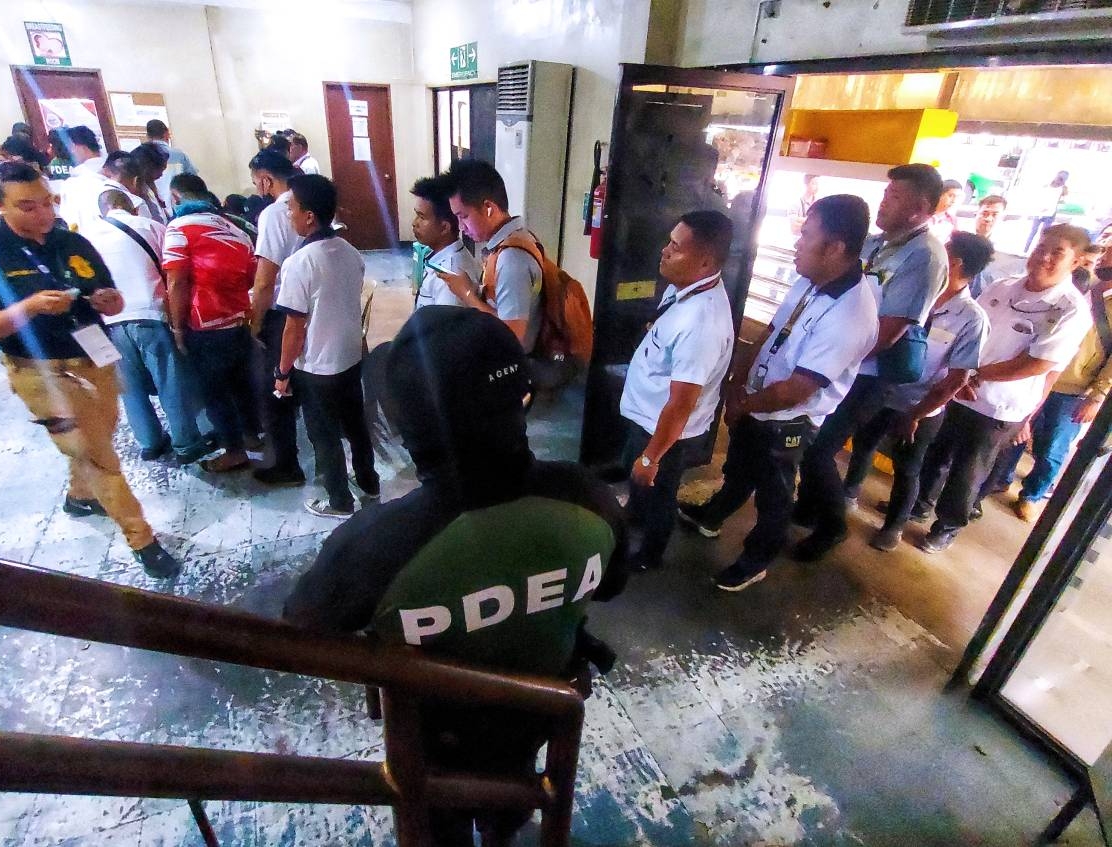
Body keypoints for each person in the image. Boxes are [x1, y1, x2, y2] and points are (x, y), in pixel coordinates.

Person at [283, 305, 627, 846]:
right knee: (513, 799)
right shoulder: (588, 499)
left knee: (436, 824)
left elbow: (304, 628)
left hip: (431, 737)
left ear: (403, 424)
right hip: (536, 709)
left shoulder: (376, 545)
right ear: (525, 400)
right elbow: (610, 585)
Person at [0, 161, 180, 578]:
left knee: (97, 435)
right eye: (28, 207)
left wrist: (108, 301)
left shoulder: (72, 243)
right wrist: (28, 308)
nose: (43, 213)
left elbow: (109, 297)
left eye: (47, 202)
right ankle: (142, 540)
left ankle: (80, 496)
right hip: (39, 369)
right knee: (100, 455)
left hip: (94, 356)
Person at [678, 195, 878, 590]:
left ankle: (756, 559)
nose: (796, 243)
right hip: (756, 401)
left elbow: (797, 390)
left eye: (806, 234)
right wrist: (737, 383)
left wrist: (742, 404)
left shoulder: (851, 316)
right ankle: (712, 516)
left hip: (788, 420)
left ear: (835, 247)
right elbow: (770, 332)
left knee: (774, 494)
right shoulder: (810, 281)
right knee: (740, 467)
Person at [792, 163, 947, 561]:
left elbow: (890, 328)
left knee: (819, 448)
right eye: (885, 194)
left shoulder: (925, 257)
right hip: (844, 362)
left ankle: (832, 527)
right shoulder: (878, 243)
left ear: (921, 207)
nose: (883, 203)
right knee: (812, 441)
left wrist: (833, 358)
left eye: (894, 197)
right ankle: (808, 509)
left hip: (869, 374)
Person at [915, 224, 1094, 552]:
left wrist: (974, 376)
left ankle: (948, 526)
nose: (1044, 256)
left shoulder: (1070, 310)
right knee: (936, 453)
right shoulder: (1003, 286)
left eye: (1057, 252)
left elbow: (1037, 364)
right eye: (1042, 246)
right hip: (958, 389)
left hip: (1000, 405)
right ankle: (919, 504)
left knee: (969, 471)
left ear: (1078, 261)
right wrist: (956, 375)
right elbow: (969, 329)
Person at [841, 231, 992, 551]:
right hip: (883, 389)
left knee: (908, 468)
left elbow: (955, 379)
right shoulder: (920, 294)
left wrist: (916, 414)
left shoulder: (972, 318)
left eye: (944, 251)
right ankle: (848, 493)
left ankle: (893, 527)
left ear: (954, 262)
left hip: (921, 406)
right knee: (864, 443)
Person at [618, 211, 735, 572]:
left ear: (704, 261)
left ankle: (650, 555)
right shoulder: (683, 289)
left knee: (658, 492)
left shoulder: (701, 323)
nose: (665, 251)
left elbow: (682, 403)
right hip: (646, 416)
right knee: (637, 479)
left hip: (664, 431)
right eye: (669, 241)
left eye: (675, 247)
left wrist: (652, 457)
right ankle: (635, 517)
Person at [979, 243, 1112, 523]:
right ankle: (998, 480)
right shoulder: (1077, 288)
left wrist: (1097, 395)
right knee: (1014, 437)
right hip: (1034, 378)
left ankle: (1032, 495)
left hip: (1074, 387)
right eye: (1104, 251)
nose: (1103, 258)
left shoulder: (1101, 301)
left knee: (1053, 447)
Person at [272, 174, 379, 517]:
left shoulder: (299, 263)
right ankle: (368, 483)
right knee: (356, 426)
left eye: (292, 209)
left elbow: (294, 328)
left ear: (309, 216)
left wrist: (282, 371)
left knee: (324, 435)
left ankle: (339, 502)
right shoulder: (350, 252)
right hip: (349, 357)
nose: (289, 215)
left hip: (317, 366)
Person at [84, 188, 210, 464]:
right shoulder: (153, 227)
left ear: (102, 212)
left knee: (128, 386)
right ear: (132, 208)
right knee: (169, 382)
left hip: (110, 321)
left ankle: (150, 442)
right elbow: (173, 271)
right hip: (152, 315)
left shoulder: (87, 236)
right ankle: (186, 444)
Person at [163, 174, 259, 474]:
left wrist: (177, 328)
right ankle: (251, 435)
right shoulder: (238, 231)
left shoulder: (178, 229)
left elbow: (177, 281)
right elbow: (251, 279)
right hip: (240, 321)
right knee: (242, 385)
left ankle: (234, 452)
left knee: (215, 392)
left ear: (177, 197)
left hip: (204, 326)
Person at [245, 150, 308, 487]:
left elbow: (266, 279)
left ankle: (287, 464)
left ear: (266, 180)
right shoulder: (313, 202)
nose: (258, 188)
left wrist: (255, 323)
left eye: (257, 182)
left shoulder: (274, 213)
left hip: (284, 313)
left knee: (276, 389)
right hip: (315, 309)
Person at [442, 160, 542, 350]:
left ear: (488, 208)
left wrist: (467, 293)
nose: (461, 227)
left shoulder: (512, 259)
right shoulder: (520, 237)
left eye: (463, 216)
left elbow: (512, 338)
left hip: (512, 368)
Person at [411, 174, 482, 309]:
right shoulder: (437, 255)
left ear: (444, 227)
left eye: (422, 217)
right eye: (416, 215)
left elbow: (445, 328)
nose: (415, 223)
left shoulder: (450, 275)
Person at [969, 195, 1025, 296]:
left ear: (1002, 218)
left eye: (994, 215)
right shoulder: (961, 240)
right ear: (976, 214)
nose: (988, 219)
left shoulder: (1007, 252)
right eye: (984, 213)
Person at [57, 126, 108, 230]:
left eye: (72, 147)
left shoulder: (72, 184)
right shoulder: (116, 169)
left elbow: (69, 218)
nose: (71, 151)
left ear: (82, 147)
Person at [144, 119, 197, 205]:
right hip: (178, 206)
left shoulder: (140, 156)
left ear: (148, 136)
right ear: (166, 133)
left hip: (152, 207)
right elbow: (194, 180)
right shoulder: (179, 155)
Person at [1023, 170, 1069, 254]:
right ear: (1056, 176)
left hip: (1050, 214)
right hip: (1039, 212)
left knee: (1044, 234)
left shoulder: (1063, 189)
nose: (1059, 180)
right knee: (1033, 231)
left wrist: (1063, 192)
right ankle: (1025, 250)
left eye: (1063, 179)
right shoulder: (1046, 185)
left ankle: (1037, 252)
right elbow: (1038, 195)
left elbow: (1064, 201)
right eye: (1059, 177)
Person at [128, 142, 170, 224]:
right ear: (148, 168)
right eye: (160, 170)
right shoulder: (134, 193)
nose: (161, 175)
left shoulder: (148, 186)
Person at [928, 179, 963, 243]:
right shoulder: (924, 214)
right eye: (951, 196)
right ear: (940, 194)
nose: (954, 201)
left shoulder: (952, 220)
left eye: (957, 197)